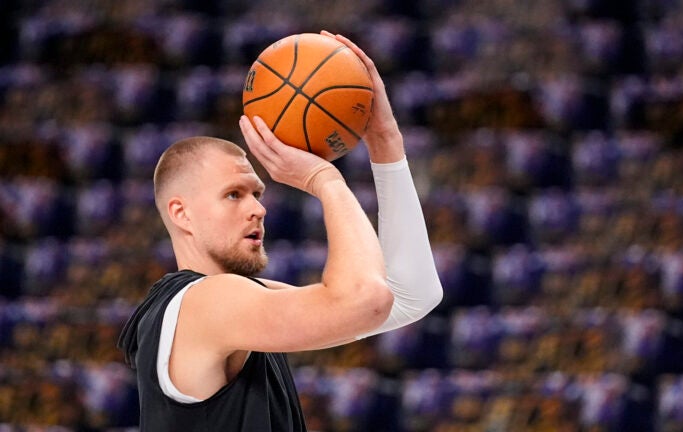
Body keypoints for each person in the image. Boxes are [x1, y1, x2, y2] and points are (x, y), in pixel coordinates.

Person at [117, 31, 443, 431]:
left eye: (257, 193)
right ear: (181, 214)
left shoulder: (233, 306)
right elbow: (366, 298)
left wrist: (385, 141)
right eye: (234, 195)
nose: (258, 208)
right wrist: (326, 179)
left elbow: (413, 295)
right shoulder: (205, 303)